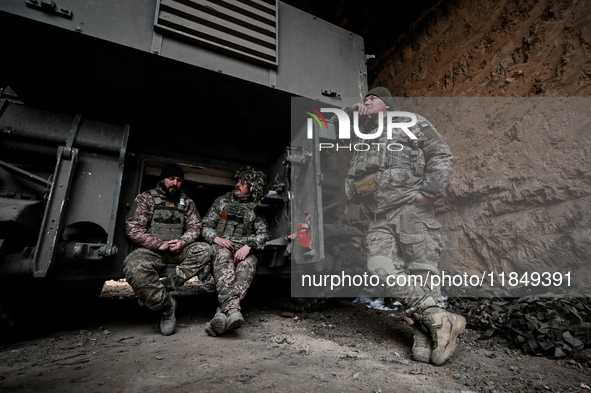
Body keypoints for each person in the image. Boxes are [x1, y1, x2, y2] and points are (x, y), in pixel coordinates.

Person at [345, 87, 465, 365]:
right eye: (365, 98)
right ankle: (442, 320)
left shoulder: (411, 122)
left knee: (422, 271)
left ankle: (424, 335)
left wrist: (429, 192)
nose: (367, 101)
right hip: (378, 215)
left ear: (388, 105)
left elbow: (441, 154)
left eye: (373, 98)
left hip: (411, 207)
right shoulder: (364, 133)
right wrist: (353, 112)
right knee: (379, 265)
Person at [123, 163, 213, 336]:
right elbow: (133, 227)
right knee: (133, 265)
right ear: (163, 180)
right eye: (171, 179)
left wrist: (183, 241)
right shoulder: (146, 198)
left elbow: (196, 226)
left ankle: (172, 282)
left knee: (206, 250)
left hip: (178, 250)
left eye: (178, 180)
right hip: (154, 251)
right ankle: (166, 305)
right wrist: (157, 244)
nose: (175, 183)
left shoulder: (187, 202)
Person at [200, 167, 269, 336]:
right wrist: (217, 239)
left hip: (244, 249)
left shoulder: (256, 209)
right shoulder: (221, 202)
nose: (238, 184)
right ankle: (233, 311)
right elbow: (205, 225)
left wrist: (249, 246)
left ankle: (221, 316)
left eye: (244, 183)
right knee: (223, 260)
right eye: (238, 181)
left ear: (252, 187)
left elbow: (264, 233)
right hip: (223, 246)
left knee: (246, 269)